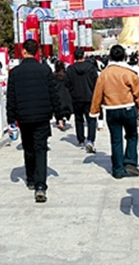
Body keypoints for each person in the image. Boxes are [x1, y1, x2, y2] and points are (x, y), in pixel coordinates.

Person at [6, 39, 63, 203]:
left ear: (23, 51)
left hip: (24, 117)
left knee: (28, 148)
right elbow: (54, 94)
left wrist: (11, 120)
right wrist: (59, 116)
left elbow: (11, 98)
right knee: (40, 149)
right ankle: (40, 186)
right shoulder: (44, 70)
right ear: (36, 52)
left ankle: (31, 179)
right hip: (42, 116)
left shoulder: (15, 72)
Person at [90, 44, 139, 178]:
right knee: (132, 135)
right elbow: (138, 92)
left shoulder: (104, 74)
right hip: (128, 107)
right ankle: (130, 162)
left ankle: (118, 168)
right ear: (125, 57)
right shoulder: (130, 73)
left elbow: (97, 94)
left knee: (116, 140)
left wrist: (94, 110)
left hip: (111, 109)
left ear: (110, 57)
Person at [66, 48, 99, 151]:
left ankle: (80, 139)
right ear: (84, 56)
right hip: (89, 97)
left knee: (79, 119)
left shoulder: (70, 69)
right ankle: (91, 139)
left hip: (76, 97)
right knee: (91, 119)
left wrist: (72, 91)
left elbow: (67, 83)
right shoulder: (91, 68)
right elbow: (96, 82)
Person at [53, 59, 73, 129]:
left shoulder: (53, 75)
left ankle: (60, 121)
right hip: (66, 94)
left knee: (58, 109)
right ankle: (63, 119)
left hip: (57, 93)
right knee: (66, 108)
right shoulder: (66, 75)